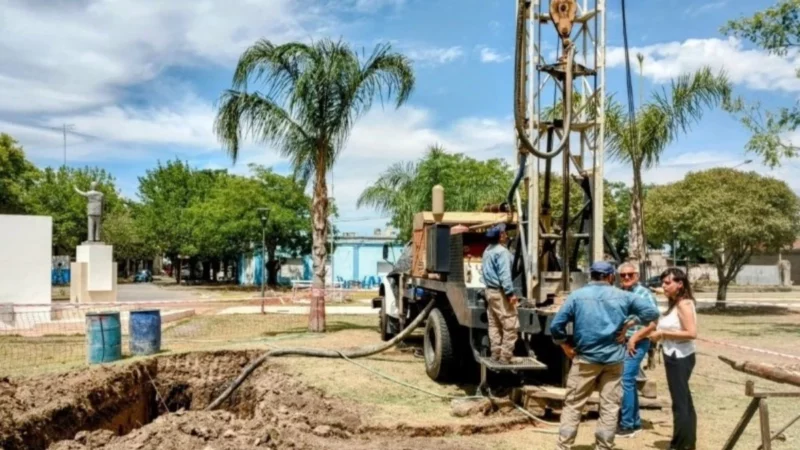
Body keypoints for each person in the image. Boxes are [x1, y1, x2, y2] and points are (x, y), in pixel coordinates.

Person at [550, 261, 660, 450]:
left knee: (573, 404)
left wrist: (565, 346)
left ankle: (564, 446)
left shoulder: (577, 296)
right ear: (610, 277)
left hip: (585, 360)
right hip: (614, 361)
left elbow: (556, 326)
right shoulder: (624, 296)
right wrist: (629, 324)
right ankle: (604, 446)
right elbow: (652, 313)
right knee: (610, 406)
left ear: (590, 275)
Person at [627, 267, 697, 450]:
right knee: (684, 401)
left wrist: (662, 334)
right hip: (673, 354)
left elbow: (691, 333)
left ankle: (680, 445)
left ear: (680, 284)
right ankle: (687, 442)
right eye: (662, 283)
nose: (663, 286)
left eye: (667, 283)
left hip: (679, 357)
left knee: (680, 403)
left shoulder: (684, 304)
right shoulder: (675, 302)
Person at [615, 262, 660, 438]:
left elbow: (653, 323)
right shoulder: (620, 292)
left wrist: (634, 338)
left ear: (637, 276)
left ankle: (627, 425)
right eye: (623, 275)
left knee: (626, 380)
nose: (626, 277)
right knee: (628, 381)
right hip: (623, 341)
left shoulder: (644, 294)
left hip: (637, 342)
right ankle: (634, 422)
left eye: (630, 274)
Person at [481, 223, 521, 364]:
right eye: (503, 233)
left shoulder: (487, 250)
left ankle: (495, 354)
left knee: (494, 324)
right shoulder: (502, 252)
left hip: (489, 291)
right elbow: (505, 275)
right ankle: (505, 357)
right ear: (500, 236)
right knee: (511, 325)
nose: (506, 234)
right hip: (500, 293)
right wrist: (510, 294)